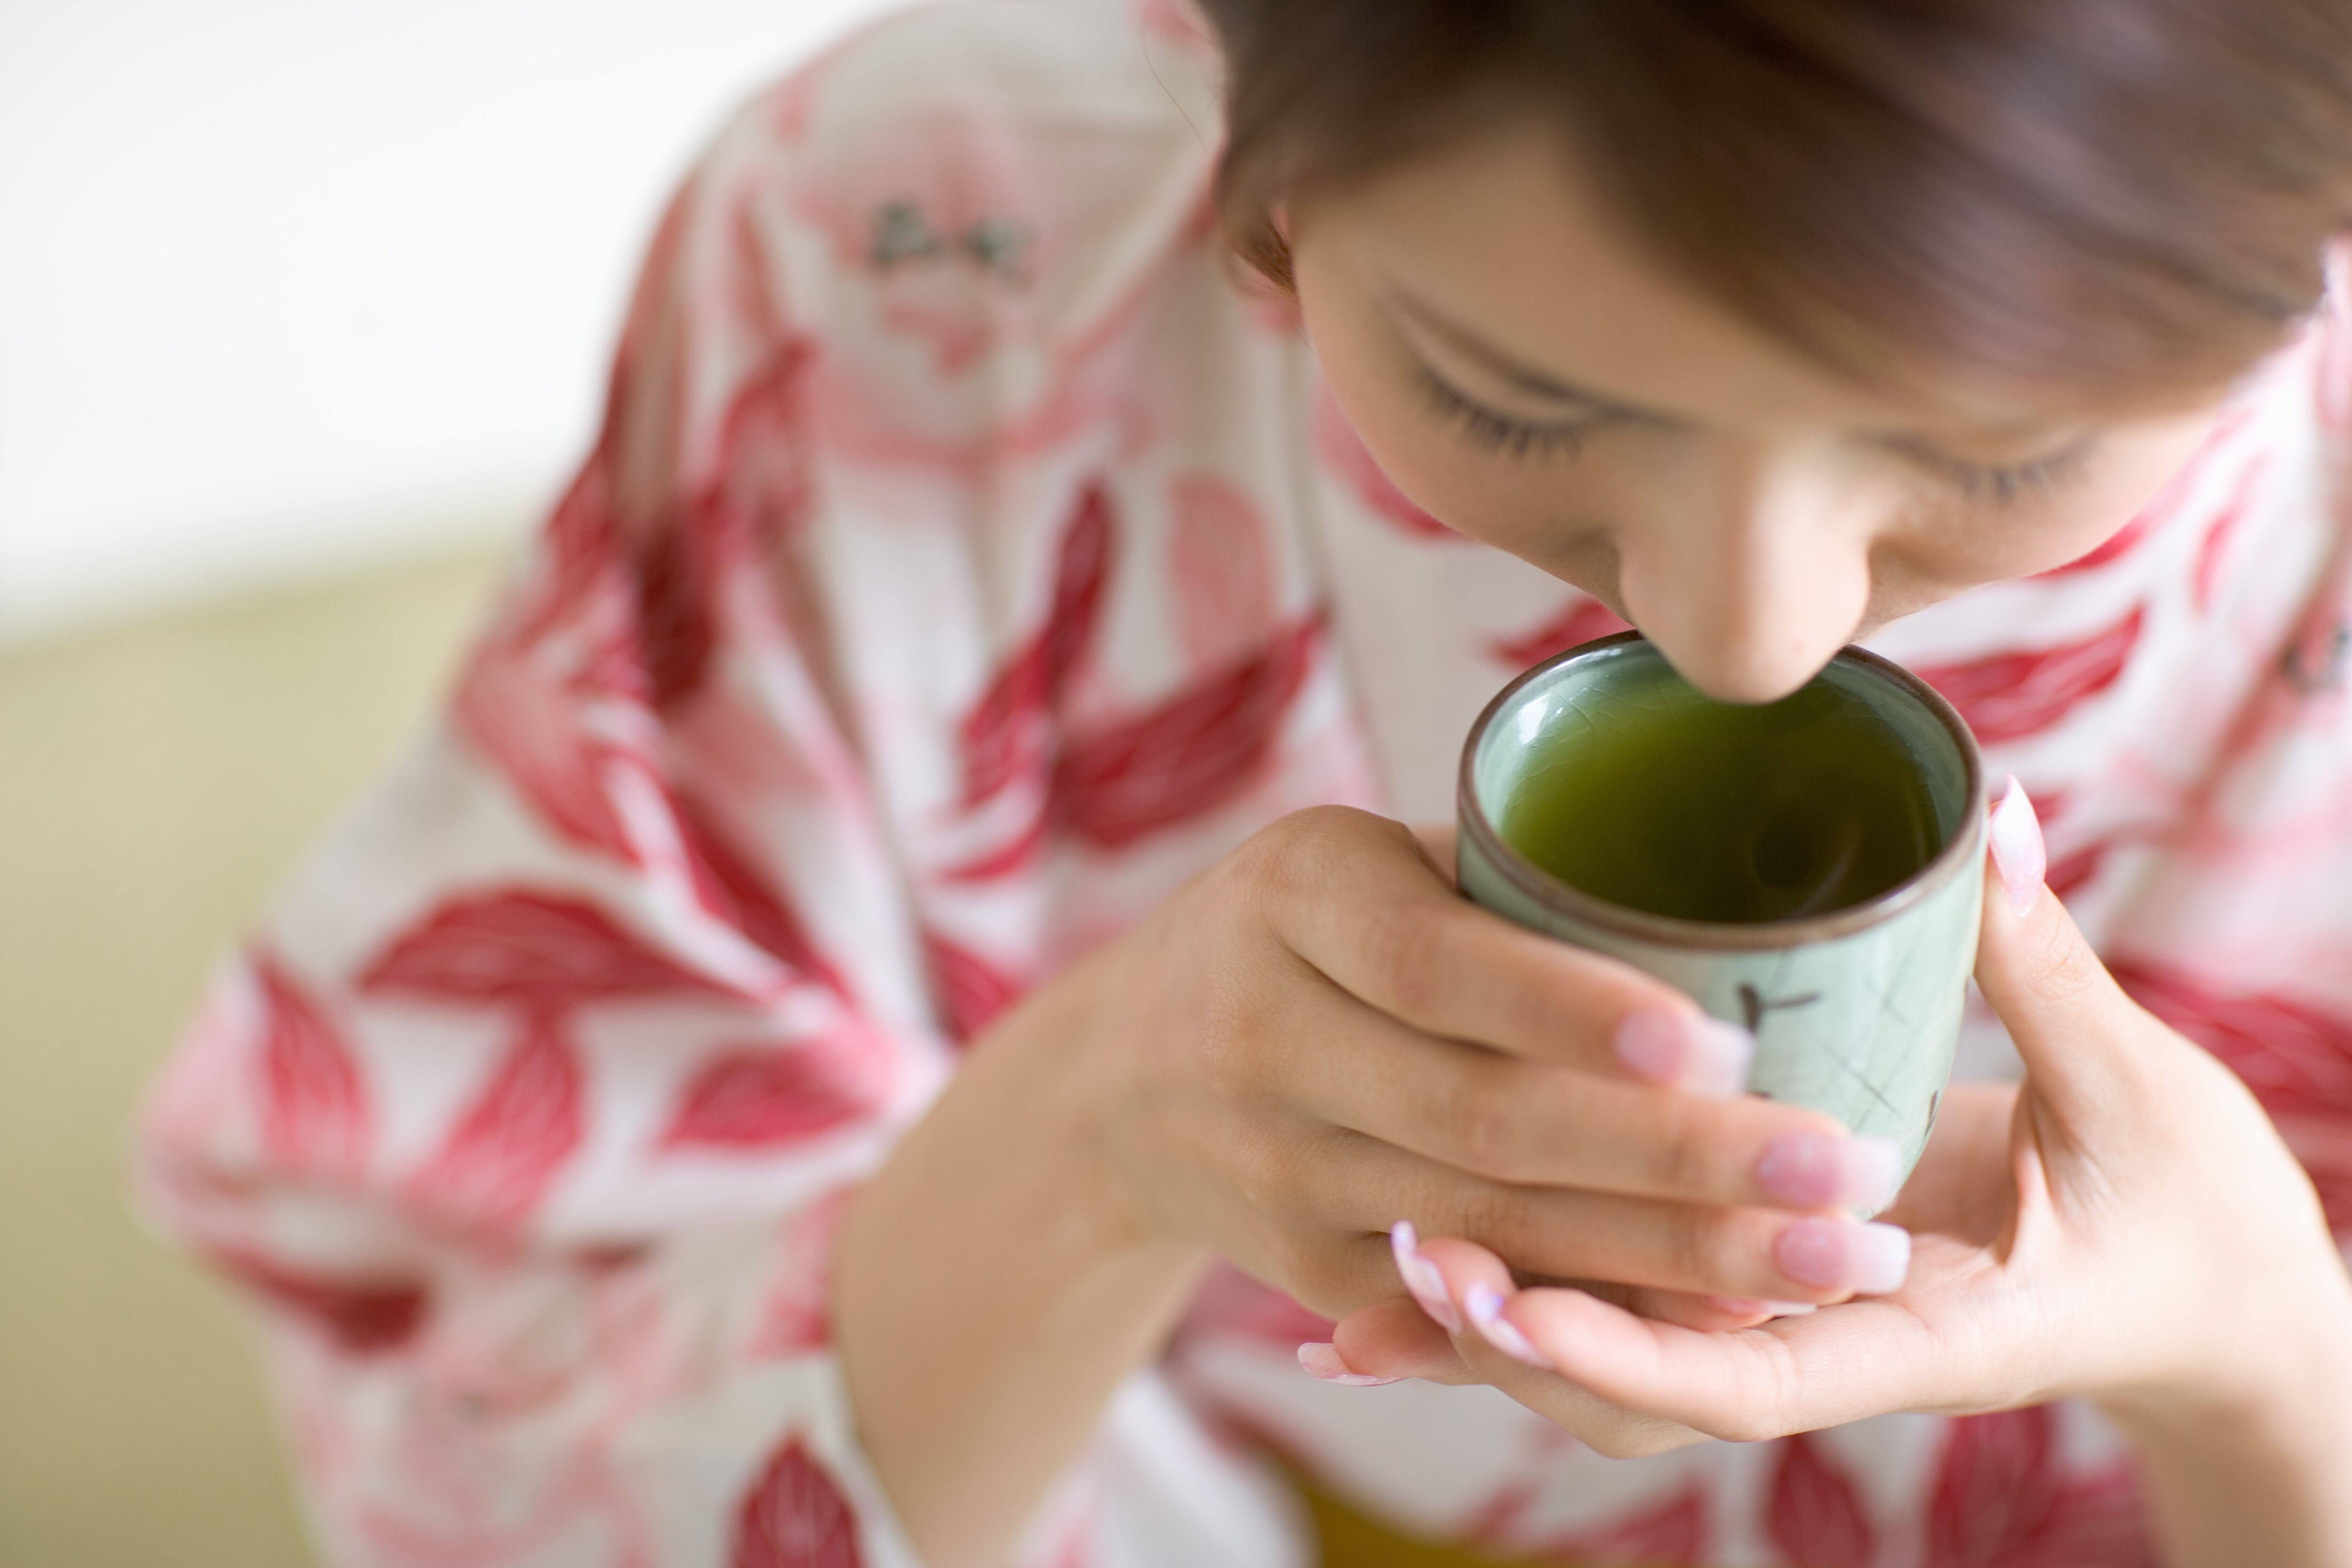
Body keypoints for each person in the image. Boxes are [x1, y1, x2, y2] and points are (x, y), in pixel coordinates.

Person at [138, 0, 2352, 1564]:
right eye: (1503, 388)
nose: (1740, 631)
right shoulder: (934, 269)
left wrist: (2259, 1351)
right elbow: (483, 1383)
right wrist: (1100, 1125)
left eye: (1998, 447)